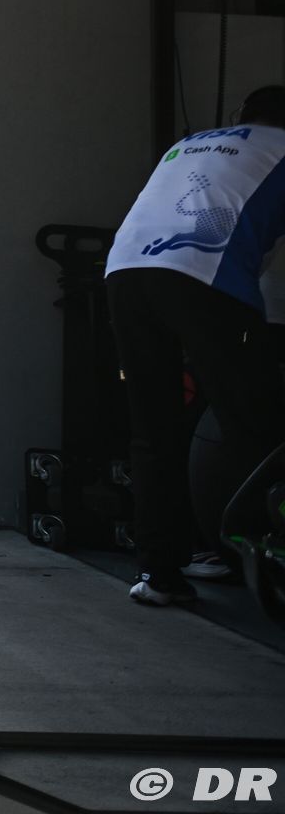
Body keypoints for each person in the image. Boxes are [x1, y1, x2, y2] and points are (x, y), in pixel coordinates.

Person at [104, 84, 285, 607]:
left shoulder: (189, 144)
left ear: (242, 115)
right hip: (206, 275)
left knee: (155, 429)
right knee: (256, 426)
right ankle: (260, 560)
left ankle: (159, 572)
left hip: (126, 271)